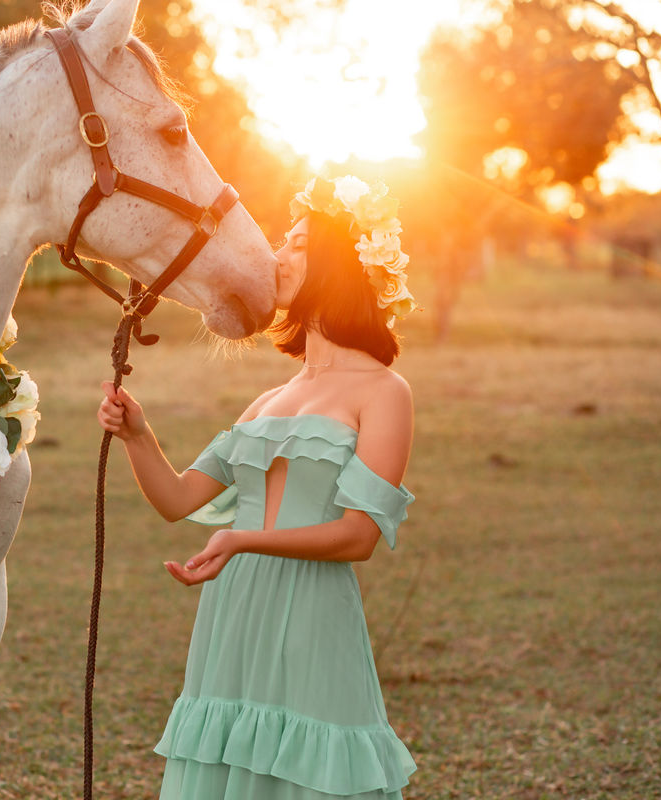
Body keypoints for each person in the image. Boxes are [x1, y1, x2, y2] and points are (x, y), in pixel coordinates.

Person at [98, 176, 420, 800]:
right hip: (234, 611)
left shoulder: (383, 391)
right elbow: (177, 500)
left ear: (339, 267)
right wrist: (139, 435)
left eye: (297, 244)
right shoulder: (270, 398)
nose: (277, 255)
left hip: (312, 612)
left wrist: (243, 539)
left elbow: (358, 537)